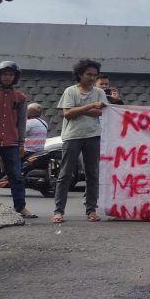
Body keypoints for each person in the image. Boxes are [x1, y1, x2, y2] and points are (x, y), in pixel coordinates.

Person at [53, 59, 108, 223]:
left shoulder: (99, 92)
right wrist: (90, 106)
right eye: (89, 74)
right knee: (65, 174)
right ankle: (58, 211)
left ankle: (91, 210)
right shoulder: (70, 91)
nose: (92, 78)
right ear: (80, 75)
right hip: (72, 136)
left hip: (93, 135)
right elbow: (67, 113)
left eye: (94, 75)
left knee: (92, 174)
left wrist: (79, 109)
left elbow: (102, 113)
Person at [0, 60, 37, 218]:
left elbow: (22, 122)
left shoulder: (20, 97)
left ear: (15, 77)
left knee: (16, 176)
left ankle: (20, 207)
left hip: (11, 143)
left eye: (11, 74)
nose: (8, 77)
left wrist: (21, 143)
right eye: (5, 74)